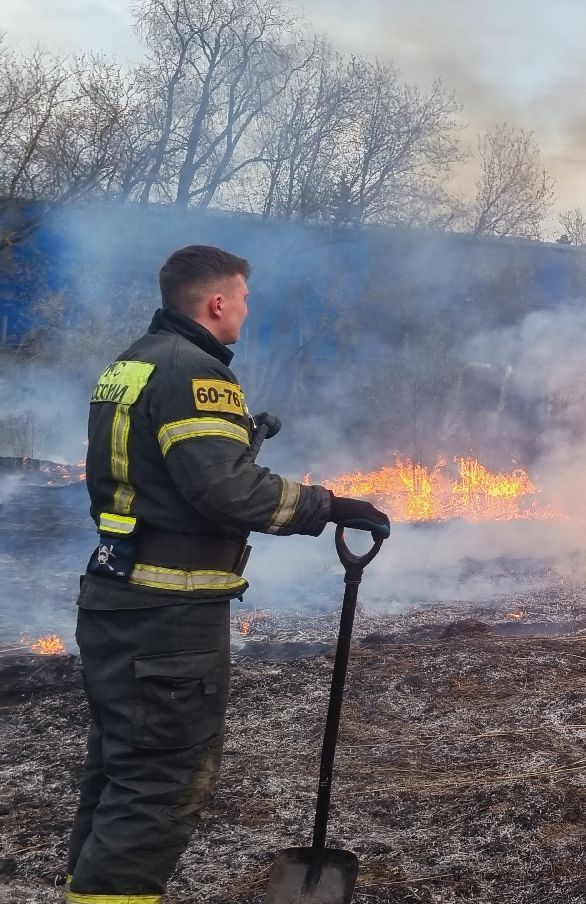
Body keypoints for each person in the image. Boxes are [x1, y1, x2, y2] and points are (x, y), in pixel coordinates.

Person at [65, 244, 391, 904]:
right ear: (217, 302)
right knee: (158, 786)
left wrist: (240, 436)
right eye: (243, 297)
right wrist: (328, 506)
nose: (247, 307)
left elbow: (163, 474)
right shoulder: (196, 374)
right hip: (167, 619)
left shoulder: (130, 364)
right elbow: (227, 492)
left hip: (117, 600)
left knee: (118, 775)